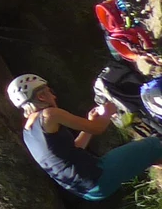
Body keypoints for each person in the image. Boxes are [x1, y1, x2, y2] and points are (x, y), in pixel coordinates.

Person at [10, 73, 162, 201]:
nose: (54, 96)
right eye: (50, 91)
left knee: (149, 153)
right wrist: (109, 111)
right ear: (42, 96)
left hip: (88, 192)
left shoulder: (28, 132)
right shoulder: (49, 115)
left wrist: (90, 124)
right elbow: (99, 128)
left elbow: (75, 149)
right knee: (156, 143)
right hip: (98, 176)